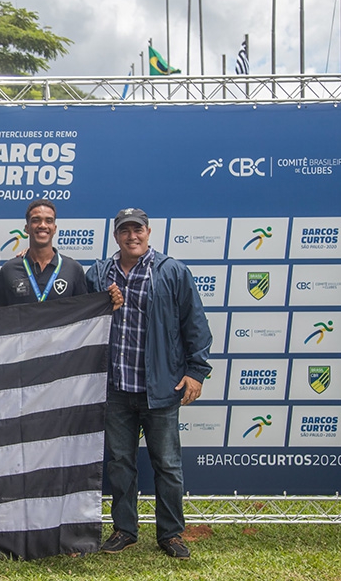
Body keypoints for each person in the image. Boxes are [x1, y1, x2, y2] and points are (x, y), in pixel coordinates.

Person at [85, 207, 211, 560]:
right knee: (121, 463)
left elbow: (195, 325)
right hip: (115, 387)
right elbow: (78, 316)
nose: (132, 236)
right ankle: (125, 529)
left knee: (167, 465)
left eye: (137, 229)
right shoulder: (98, 274)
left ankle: (170, 534)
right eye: (125, 230)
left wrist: (196, 371)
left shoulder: (171, 271)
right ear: (116, 236)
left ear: (149, 232)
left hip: (161, 389)